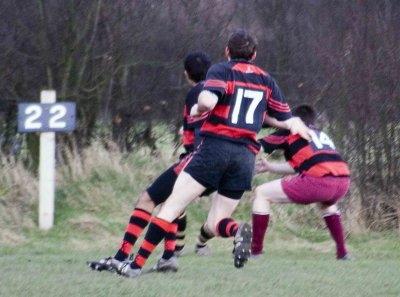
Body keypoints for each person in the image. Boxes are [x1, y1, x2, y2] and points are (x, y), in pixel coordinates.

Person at [117, 29, 311, 278]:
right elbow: (283, 118)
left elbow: (208, 101)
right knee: (215, 222)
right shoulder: (267, 80)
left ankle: (134, 266)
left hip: (215, 149)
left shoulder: (221, 70)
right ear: (254, 54)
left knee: (170, 207)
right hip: (244, 158)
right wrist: (292, 124)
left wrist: (198, 108)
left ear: (227, 51)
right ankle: (237, 229)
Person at [87, 51, 212, 273]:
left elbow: (203, 127)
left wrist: (195, 150)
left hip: (197, 160)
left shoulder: (198, 92)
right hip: (215, 163)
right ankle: (167, 258)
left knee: (147, 199)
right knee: (172, 203)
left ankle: (120, 257)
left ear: (186, 73)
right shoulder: (217, 91)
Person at [251, 104, 351, 260]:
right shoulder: (319, 134)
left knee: (261, 193)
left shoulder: (290, 130)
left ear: (292, 118)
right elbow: (301, 166)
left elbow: (255, 147)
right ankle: (343, 253)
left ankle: (256, 251)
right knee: (326, 203)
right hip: (342, 182)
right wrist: (270, 167)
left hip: (319, 181)